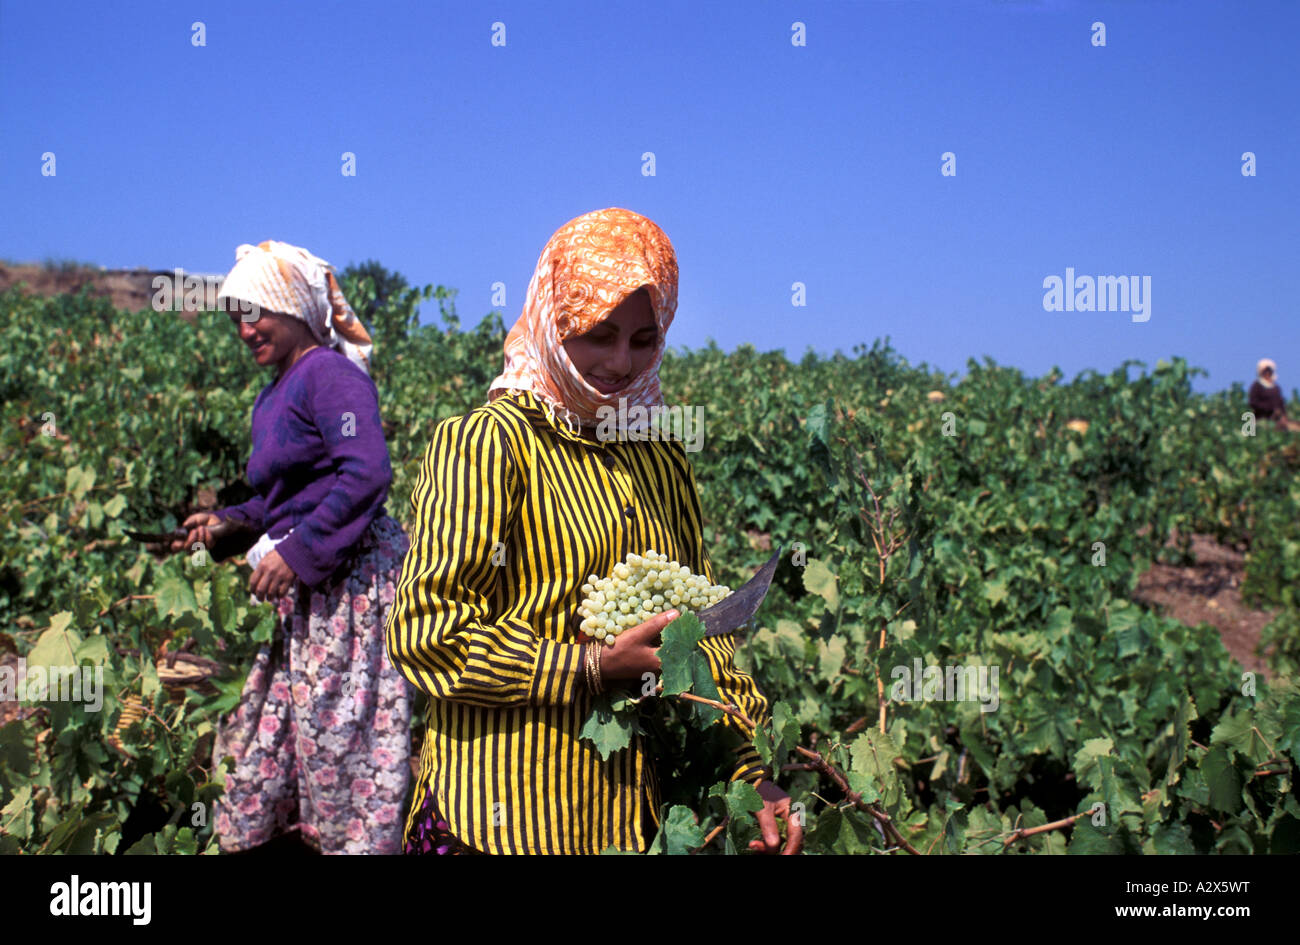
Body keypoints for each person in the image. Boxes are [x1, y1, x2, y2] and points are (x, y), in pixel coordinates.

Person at [385, 208, 801, 855]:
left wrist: (752, 770)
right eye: (599, 333)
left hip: (618, 820)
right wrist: (589, 666)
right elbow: (426, 634)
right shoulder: (488, 445)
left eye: (643, 338)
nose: (619, 361)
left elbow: (699, 628)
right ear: (554, 321)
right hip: (495, 817)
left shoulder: (658, 455)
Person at [174, 240, 412, 854]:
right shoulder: (275, 391)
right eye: (235, 319)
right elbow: (280, 498)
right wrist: (227, 524)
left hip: (347, 590)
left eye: (255, 313)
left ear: (292, 308)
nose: (245, 329)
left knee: (343, 743)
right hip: (300, 589)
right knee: (264, 740)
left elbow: (365, 472)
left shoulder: (332, 376)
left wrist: (297, 554)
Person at [1248, 358, 1298, 431]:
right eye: (1265, 372)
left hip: (1277, 418)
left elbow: (1281, 403)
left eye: (1269, 371)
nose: (1267, 374)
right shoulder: (1256, 386)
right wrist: (1270, 409)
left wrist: (1283, 415)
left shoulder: (1276, 388)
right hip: (1261, 418)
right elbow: (1253, 403)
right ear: (1261, 372)